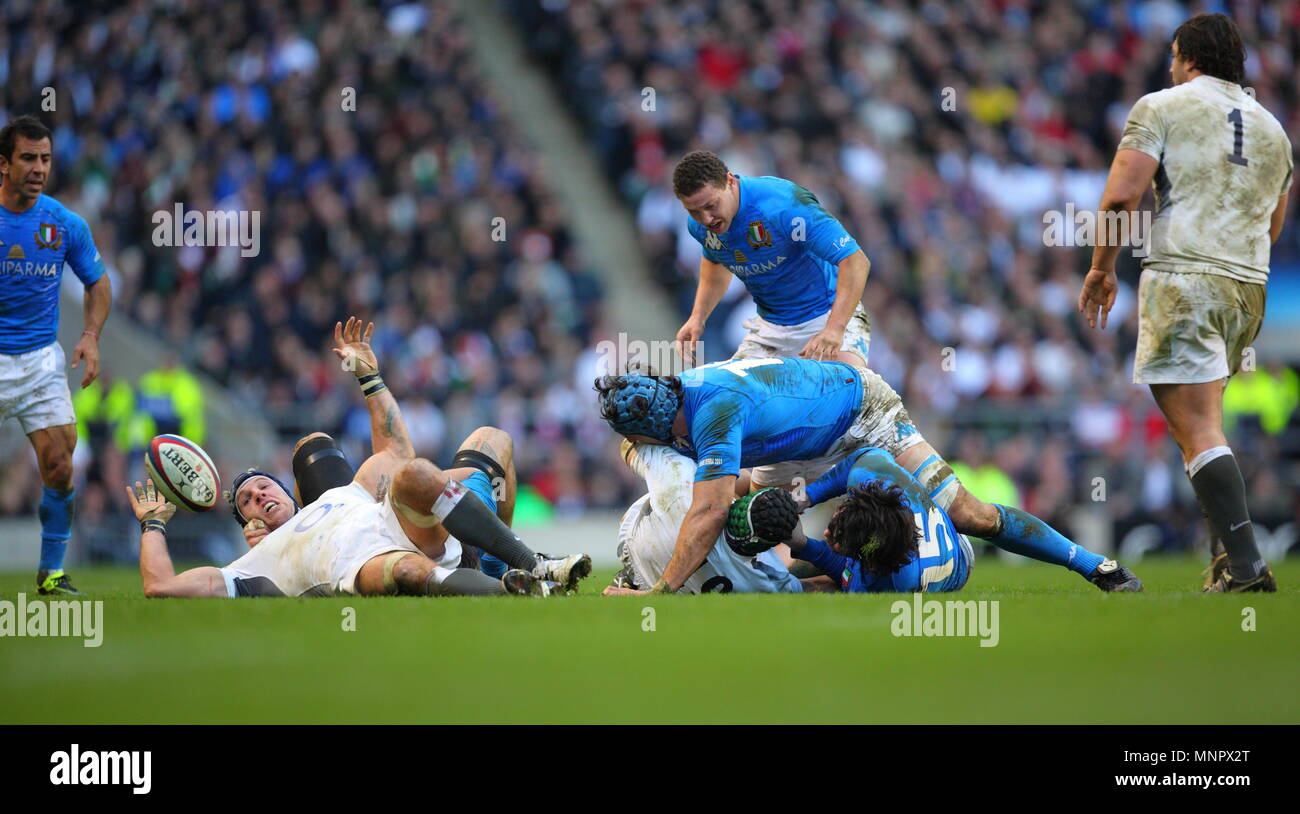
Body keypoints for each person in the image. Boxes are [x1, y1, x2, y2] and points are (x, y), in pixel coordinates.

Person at [594, 356, 1141, 595]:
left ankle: (1097, 567)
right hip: (807, 436)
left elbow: (708, 508)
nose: (636, 448)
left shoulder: (710, 413)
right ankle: (790, 580)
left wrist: (661, 591)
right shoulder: (678, 397)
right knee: (760, 521)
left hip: (864, 413)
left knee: (969, 514)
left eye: (638, 441)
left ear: (660, 422)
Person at [128, 317, 591, 598]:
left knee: (490, 441)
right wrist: (153, 525)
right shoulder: (255, 562)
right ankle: (528, 582)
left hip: (434, 527)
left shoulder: (341, 498)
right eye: (246, 500)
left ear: (290, 491)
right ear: (247, 525)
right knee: (405, 567)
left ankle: (509, 563)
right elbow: (161, 588)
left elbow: (396, 452)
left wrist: (370, 379)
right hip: (386, 561)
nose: (258, 494)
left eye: (262, 485)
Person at [1077, 13, 1291, 593]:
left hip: (1185, 276)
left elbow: (1122, 196)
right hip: (1249, 286)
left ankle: (1246, 568)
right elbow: (1273, 224)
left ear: (1189, 57)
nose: (1171, 65)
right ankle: (1228, 562)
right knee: (1206, 429)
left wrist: (1100, 269)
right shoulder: (1274, 129)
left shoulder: (1163, 105)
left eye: (1174, 55)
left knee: (1196, 431)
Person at [0, 114, 113, 596]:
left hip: (42, 361)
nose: (39, 167)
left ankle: (51, 572)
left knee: (60, 464)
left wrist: (90, 335)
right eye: (28, 157)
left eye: (45, 158)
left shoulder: (63, 224)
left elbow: (98, 283)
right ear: (3, 164)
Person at [672, 150, 871, 368]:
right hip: (770, 328)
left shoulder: (784, 205)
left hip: (827, 315)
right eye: (694, 212)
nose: (706, 219)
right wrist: (697, 318)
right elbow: (715, 262)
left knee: (847, 390)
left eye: (711, 206)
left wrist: (835, 329)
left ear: (730, 182)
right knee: (728, 400)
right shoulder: (700, 227)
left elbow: (855, 260)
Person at [604, 439, 801, 595]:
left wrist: (688, 445)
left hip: (634, 544)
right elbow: (813, 586)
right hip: (669, 583)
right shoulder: (768, 580)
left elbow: (630, 445)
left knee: (739, 479)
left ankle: (631, 576)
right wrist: (813, 552)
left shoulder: (682, 484)